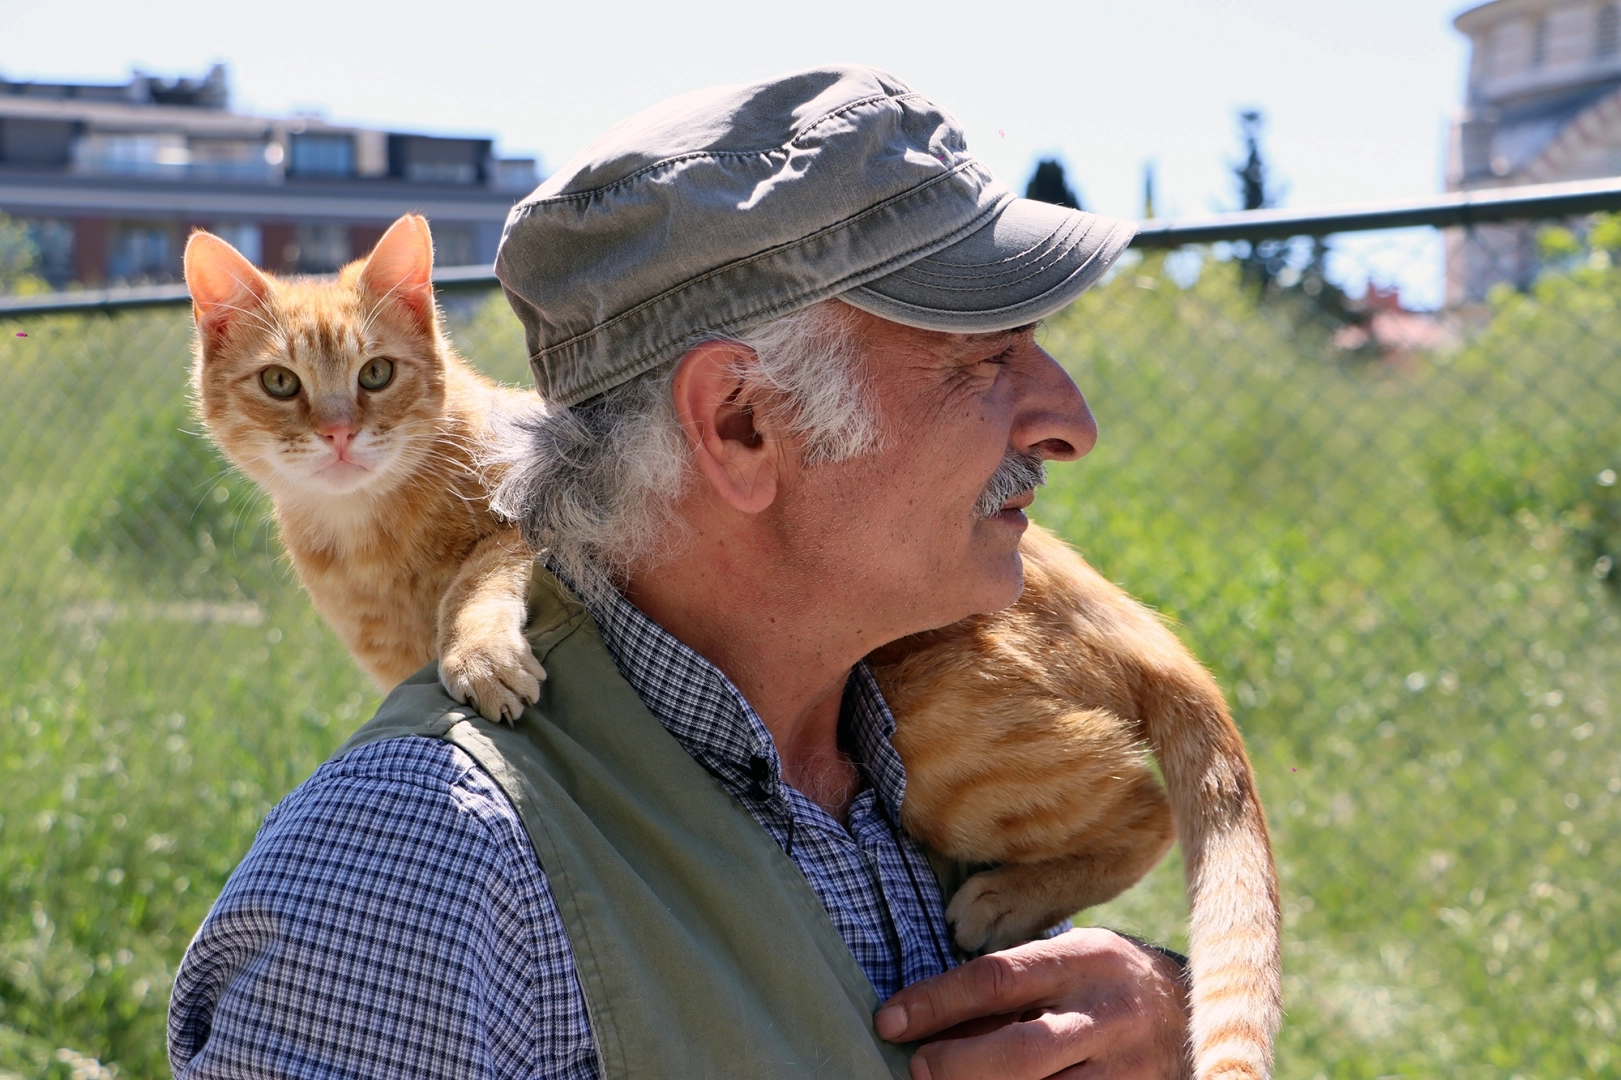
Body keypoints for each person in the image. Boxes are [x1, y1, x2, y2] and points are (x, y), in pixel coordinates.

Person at [168, 65, 1191, 1080]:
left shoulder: (898, 750)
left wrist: (1159, 1015)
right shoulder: (414, 870)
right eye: (981, 358)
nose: (1072, 423)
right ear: (739, 425)